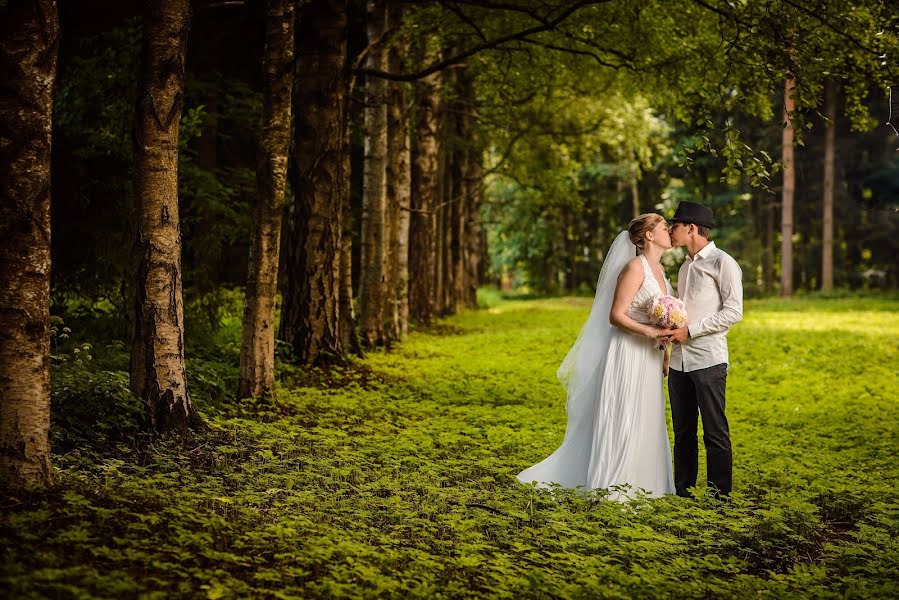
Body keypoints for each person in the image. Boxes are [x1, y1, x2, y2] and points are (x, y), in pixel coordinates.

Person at [516, 214, 675, 499]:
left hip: (650, 357)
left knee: (646, 417)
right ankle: (613, 484)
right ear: (649, 235)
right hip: (628, 352)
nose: (669, 231)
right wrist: (649, 333)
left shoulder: (660, 271)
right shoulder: (635, 268)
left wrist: (664, 351)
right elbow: (615, 315)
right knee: (624, 414)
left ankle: (646, 485)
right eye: (664, 227)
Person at [667, 201, 743, 499]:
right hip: (678, 362)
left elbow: (733, 312)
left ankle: (719, 497)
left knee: (714, 431)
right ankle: (683, 490)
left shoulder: (723, 263)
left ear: (691, 228)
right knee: (683, 431)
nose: (671, 231)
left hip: (708, 359)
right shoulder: (685, 266)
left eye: (675, 226)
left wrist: (691, 331)